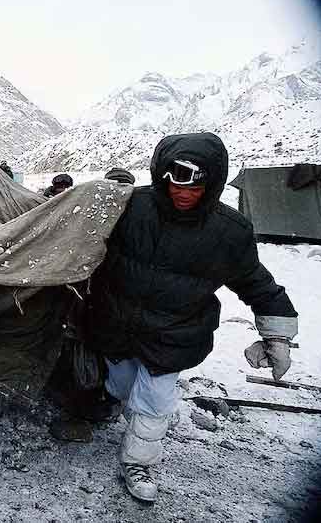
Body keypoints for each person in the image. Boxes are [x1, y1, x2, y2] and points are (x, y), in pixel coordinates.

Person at [84, 133, 298, 503]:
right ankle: (111, 404)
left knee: (153, 399)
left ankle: (139, 462)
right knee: (120, 384)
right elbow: (83, 247)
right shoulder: (130, 208)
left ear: (212, 182)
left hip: (173, 333)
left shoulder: (228, 233)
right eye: (174, 182)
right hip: (115, 325)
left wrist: (277, 335)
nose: (183, 193)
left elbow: (255, 282)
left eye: (195, 185)